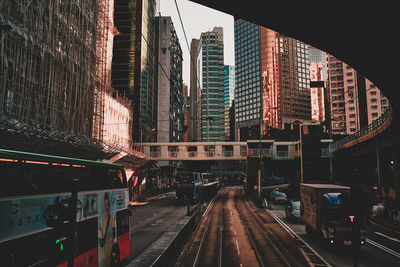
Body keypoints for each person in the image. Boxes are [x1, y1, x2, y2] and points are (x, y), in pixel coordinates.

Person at [98, 193, 115, 267]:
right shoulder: (103, 219)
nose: (106, 207)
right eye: (105, 205)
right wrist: (101, 231)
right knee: (106, 261)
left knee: (108, 260)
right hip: (105, 243)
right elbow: (103, 234)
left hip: (110, 243)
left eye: (107, 204)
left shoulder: (111, 217)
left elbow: (112, 231)